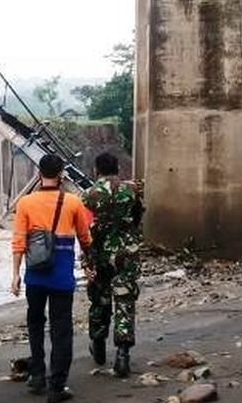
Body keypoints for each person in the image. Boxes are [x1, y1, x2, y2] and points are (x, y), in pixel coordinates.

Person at [11, 154, 92, 403]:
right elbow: (85, 238)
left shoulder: (25, 203)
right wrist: (89, 265)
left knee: (35, 324)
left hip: (35, 276)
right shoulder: (73, 202)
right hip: (61, 278)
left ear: (38, 174)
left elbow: (19, 242)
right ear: (62, 175)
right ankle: (57, 387)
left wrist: (15, 275)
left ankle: (37, 376)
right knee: (61, 330)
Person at [82, 152, 143, 378]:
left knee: (99, 299)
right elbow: (137, 218)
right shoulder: (132, 190)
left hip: (99, 254)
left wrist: (86, 260)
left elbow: (84, 230)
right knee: (125, 300)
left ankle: (98, 346)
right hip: (126, 253)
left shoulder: (88, 195)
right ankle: (122, 355)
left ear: (96, 170)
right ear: (117, 168)